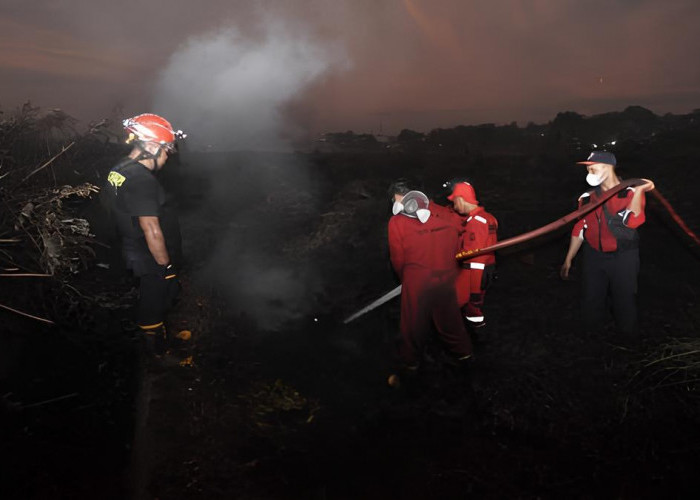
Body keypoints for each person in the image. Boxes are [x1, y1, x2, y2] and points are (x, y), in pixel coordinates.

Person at [101, 113, 186, 351]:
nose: (168, 156)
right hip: (146, 254)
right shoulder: (142, 181)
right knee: (156, 299)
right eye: (166, 150)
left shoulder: (120, 168)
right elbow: (152, 229)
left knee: (148, 294)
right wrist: (165, 267)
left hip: (129, 246)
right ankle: (155, 350)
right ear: (150, 146)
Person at [560, 151, 655, 337]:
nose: (589, 170)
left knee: (624, 298)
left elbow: (632, 222)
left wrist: (640, 190)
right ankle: (590, 337)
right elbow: (581, 227)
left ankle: (627, 340)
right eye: (588, 167)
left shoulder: (630, 192)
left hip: (623, 256)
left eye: (593, 166)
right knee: (591, 297)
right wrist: (568, 259)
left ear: (609, 167)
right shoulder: (586, 197)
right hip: (593, 255)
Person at [387, 186, 473, 387]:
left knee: (413, 324)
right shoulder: (448, 218)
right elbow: (458, 244)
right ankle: (466, 358)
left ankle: (410, 367)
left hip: (417, 280)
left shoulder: (397, 222)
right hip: (445, 278)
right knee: (450, 320)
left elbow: (397, 258)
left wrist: (406, 278)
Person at [446, 180, 498, 328]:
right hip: (488, 270)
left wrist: (474, 292)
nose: (454, 207)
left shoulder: (475, 222)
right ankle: (477, 333)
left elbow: (477, 259)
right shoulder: (489, 218)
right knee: (472, 312)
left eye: (455, 202)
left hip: (473, 273)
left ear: (461, 199)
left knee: (450, 306)